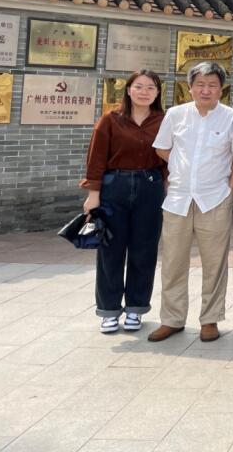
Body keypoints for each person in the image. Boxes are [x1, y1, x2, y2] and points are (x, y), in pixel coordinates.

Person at [148, 62, 233, 343]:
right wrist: (181, 166)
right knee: (173, 262)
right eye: (200, 84)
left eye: (212, 85)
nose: (206, 90)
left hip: (215, 198)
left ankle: (210, 320)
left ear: (221, 89)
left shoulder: (231, 118)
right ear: (190, 87)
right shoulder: (175, 115)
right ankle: (172, 319)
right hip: (178, 199)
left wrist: (230, 189)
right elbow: (162, 148)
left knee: (215, 263)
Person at [80, 70, 167, 334]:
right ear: (128, 90)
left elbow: (170, 157)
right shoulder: (110, 120)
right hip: (114, 187)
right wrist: (93, 194)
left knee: (144, 250)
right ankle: (108, 310)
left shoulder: (164, 120)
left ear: (157, 92)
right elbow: (96, 158)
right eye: (138, 86)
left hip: (150, 187)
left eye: (150, 87)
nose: (144, 92)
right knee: (110, 250)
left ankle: (136, 308)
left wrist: (168, 186)